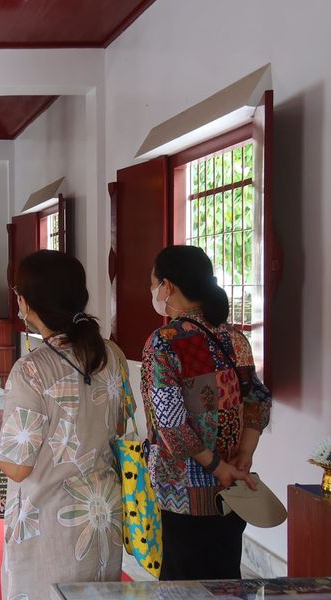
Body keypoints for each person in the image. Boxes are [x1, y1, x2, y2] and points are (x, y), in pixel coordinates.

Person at [0, 250, 129, 598]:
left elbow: (17, 467)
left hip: (49, 524)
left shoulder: (31, 369)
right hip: (101, 516)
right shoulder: (111, 355)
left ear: (26, 303)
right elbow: (116, 428)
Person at [143, 245, 272, 580]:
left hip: (184, 492)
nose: (153, 291)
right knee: (225, 578)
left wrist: (217, 467)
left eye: (153, 284)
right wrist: (243, 456)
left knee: (182, 584)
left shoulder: (164, 342)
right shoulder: (235, 338)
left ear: (168, 286)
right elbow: (258, 399)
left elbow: (171, 424)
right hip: (233, 492)